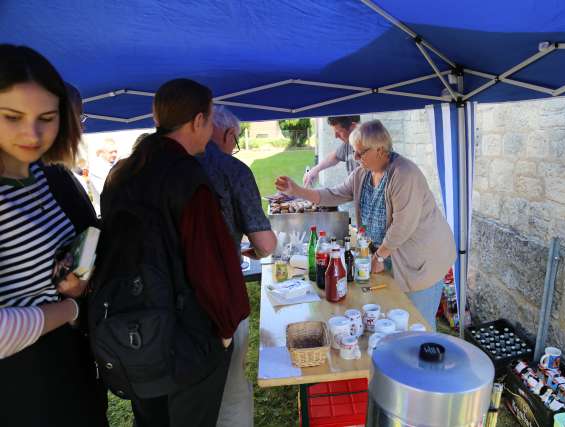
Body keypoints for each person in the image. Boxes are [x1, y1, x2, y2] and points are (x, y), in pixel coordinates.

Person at [100, 78, 250, 427]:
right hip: (184, 338)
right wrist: (226, 328)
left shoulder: (123, 172)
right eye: (210, 121)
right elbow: (210, 261)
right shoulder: (186, 176)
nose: (210, 129)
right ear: (198, 120)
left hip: (132, 331)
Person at [0, 44, 107, 426]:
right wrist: (70, 309)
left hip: (71, 361)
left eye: (45, 117)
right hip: (22, 384)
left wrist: (75, 284)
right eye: (12, 116)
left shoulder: (43, 176)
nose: (32, 132)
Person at [276, 119, 456, 330]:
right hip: (389, 256)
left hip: (421, 262)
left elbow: (403, 226)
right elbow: (334, 194)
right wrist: (297, 190)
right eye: (354, 152)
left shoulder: (405, 174)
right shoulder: (362, 173)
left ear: (380, 150)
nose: (355, 157)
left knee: (417, 325)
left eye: (360, 153)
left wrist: (379, 256)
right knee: (390, 319)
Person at [198, 105, 276, 427]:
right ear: (228, 134)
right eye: (236, 140)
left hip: (167, 303)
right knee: (230, 387)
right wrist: (252, 248)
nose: (234, 147)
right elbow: (266, 244)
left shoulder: (163, 166)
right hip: (220, 299)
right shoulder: (232, 170)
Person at [303, 115, 360, 187]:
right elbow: (335, 156)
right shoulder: (348, 144)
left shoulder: (367, 148)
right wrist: (315, 170)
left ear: (353, 127)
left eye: (339, 132)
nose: (336, 136)